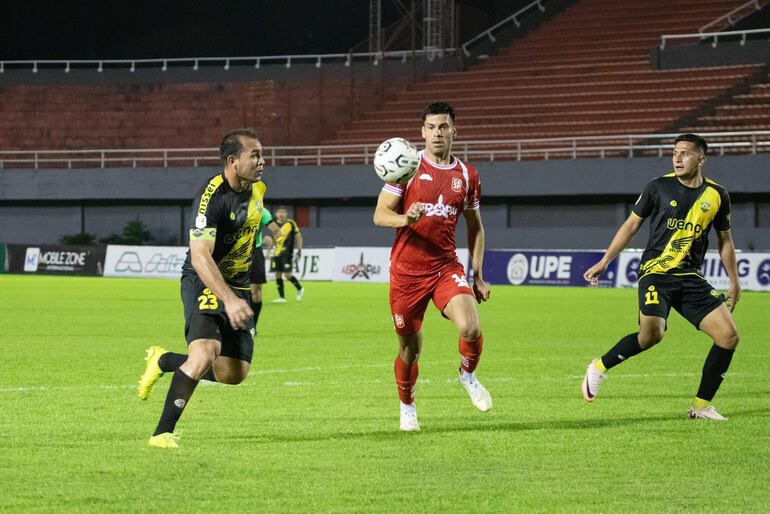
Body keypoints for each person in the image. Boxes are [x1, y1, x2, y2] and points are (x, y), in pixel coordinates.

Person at [582, 133, 740, 421]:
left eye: (686, 153)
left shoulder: (717, 195)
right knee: (652, 334)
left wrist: (735, 281)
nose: (678, 158)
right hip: (656, 272)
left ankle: (701, 405)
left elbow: (725, 240)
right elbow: (631, 226)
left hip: (691, 277)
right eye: (675, 152)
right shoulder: (658, 187)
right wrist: (606, 260)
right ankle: (599, 367)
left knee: (728, 336)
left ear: (701, 159)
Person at [137, 128, 272, 448]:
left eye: (263, 154)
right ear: (232, 161)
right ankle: (161, 434)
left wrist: (252, 290)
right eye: (254, 155)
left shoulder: (258, 189)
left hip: (238, 288)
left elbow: (250, 236)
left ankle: (165, 360)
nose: (262, 161)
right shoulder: (210, 198)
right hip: (206, 281)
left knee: (233, 373)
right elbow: (200, 257)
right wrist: (228, 299)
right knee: (205, 352)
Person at [373, 101, 492, 432]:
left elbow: (476, 227)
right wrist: (405, 217)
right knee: (410, 350)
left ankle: (467, 375)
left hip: (444, 267)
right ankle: (407, 406)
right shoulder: (407, 167)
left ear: (455, 130)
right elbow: (380, 215)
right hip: (406, 274)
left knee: (470, 327)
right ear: (421, 132)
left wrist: (478, 274)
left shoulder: (468, 175)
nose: (437, 133)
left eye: (443, 127)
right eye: (431, 127)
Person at [249, 207, 281, 333]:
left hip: (255, 252)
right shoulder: (232, 206)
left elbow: (277, 231)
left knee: (256, 291)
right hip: (235, 252)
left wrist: (272, 239)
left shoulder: (261, 210)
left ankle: (253, 326)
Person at [270, 206, 304, 303]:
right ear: (276, 214)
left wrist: (299, 249)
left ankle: (299, 288)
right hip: (277, 252)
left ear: (286, 214)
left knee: (288, 275)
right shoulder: (274, 224)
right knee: (277, 274)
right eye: (279, 212)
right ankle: (282, 297)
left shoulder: (291, 223)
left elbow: (299, 236)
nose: (281, 214)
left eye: (283, 212)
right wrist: (269, 251)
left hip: (287, 253)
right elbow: (274, 238)